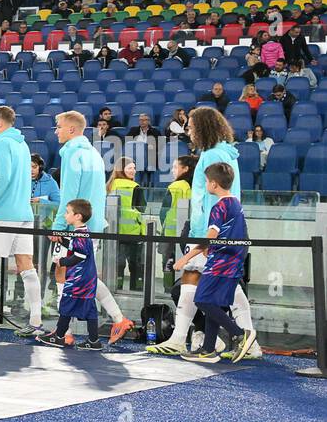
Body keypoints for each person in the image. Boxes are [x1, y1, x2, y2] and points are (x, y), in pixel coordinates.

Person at [147, 106, 258, 359]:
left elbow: (209, 200)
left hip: (208, 231)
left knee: (194, 278)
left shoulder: (210, 156)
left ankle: (182, 340)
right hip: (221, 230)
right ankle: (249, 343)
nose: (189, 130)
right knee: (228, 288)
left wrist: (205, 238)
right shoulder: (225, 152)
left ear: (203, 127)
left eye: (192, 126)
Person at [50, 110, 134, 343]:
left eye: (58, 126)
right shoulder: (93, 153)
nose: (55, 131)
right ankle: (118, 319)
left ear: (71, 129)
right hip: (93, 225)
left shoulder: (72, 154)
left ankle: (63, 334)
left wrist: (59, 226)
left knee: (61, 271)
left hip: (74, 226)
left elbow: (69, 192)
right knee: (86, 276)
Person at [175, 162, 258, 363]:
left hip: (220, 263)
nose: (205, 185)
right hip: (233, 262)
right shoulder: (236, 203)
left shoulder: (219, 206)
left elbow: (210, 237)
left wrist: (186, 258)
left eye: (206, 182)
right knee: (215, 304)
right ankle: (208, 348)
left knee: (202, 300)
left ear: (213, 184)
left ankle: (240, 334)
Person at [0, 106, 43, 338]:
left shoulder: (1, 142)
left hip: (3, 214)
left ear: (0, 124)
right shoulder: (22, 144)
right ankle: (36, 320)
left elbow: (1, 179)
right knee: (26, 264)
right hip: (24, 214)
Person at [36, 199, 102, 351]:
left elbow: (79, 255)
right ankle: (94, 340)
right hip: (88, 278)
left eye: (67, 212)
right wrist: (63, 240)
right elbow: (76, 247)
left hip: (77, 279)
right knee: (89, 307)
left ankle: (58, 336)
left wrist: (63, 261)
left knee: (66, 305)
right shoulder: (83, 232)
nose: (65, 215)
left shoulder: (79, 235)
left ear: (77, 216)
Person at [106, 157, 144, 292]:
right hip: (133, 233)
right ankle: (137, 292)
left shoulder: (110, 185)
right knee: (137, 266)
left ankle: (116, 289)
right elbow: (142, 210)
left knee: (117, 265)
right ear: (122, 170)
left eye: (134, 168)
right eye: (130, 168)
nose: (133, 171)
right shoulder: (135, 187)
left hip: (113, 232)